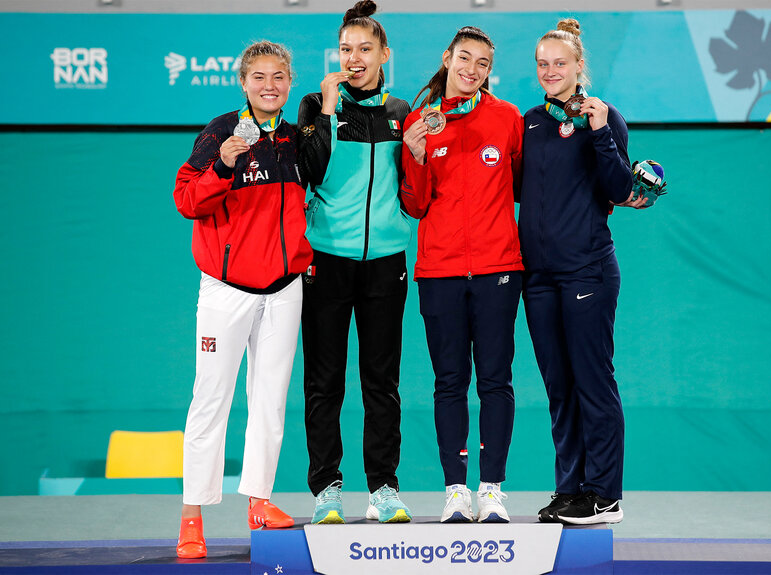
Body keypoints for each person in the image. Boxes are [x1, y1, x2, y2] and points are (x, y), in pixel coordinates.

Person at [172, 40, 312, 558]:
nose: (269, 85)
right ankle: (192, 515)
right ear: (243, 81)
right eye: (259, 76)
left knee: (270, 401)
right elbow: (187, 199)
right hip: (226, 291)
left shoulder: (297, 140)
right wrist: (224, 166)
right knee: (211, 402)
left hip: (283, 290)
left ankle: (259, 499)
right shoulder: (220, 131)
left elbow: (313, 203)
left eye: (278, 76)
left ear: (289, 81)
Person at [400, 25, 524, 524]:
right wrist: (415, 154)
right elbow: (415, 205)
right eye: (465, 59)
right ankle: (456, 490)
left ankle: (491, 489)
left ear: (489, 72)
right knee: (449, 381)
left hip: (498, 269)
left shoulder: (508, 118)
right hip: (439, 271)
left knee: (496, 381)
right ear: (447, 58)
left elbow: (529, 188)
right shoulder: (420, 122)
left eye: (483, 64)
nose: (472, 70)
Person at [296, 0, 412, 524]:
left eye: (365, 49)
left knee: (381, 383)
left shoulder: (401, 112)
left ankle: (383, 488)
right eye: (346, 50)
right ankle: (326, 490)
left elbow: (414, 189)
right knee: (324, 382)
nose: (355, 58)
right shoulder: (314, 106)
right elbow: (310, 171)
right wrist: (326, 108)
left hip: (386, 262)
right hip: (326, 261)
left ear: (384, 53)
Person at [519, 18, 638, 526]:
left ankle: (605, 495)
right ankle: (571, 490)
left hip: (587, 270)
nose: (550, 71)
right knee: (559, 387)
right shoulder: (530, 120)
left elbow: (618, 190)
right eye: (543, 65)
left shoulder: (605, 117)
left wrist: (599, 134)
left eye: (559, 64)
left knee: (593, 382)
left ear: (578, 66)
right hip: (538, 276)